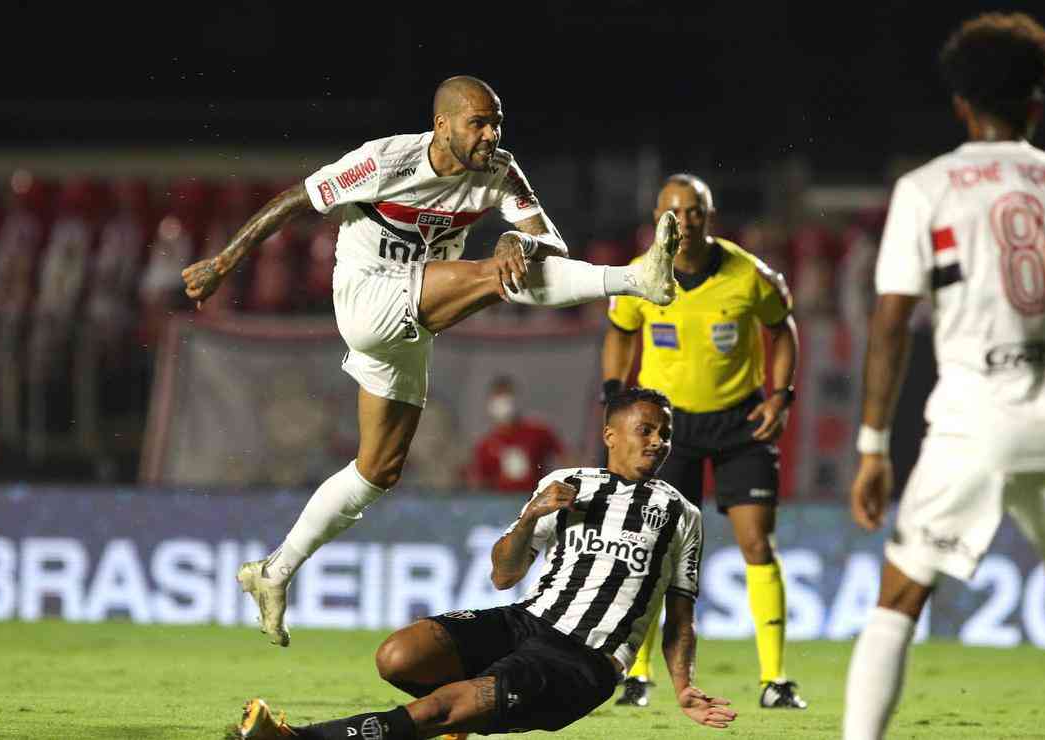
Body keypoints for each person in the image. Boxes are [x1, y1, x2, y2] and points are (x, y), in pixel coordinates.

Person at [182, 76, 682, 647]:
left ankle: (273, 573)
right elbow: (296, 200)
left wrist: (523, 242)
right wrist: (224, 263)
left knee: (378, 470)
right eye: (479, 123)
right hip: (367, 301)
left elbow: (552, 248)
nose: (491, 134)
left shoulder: (500, 170)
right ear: (442, 125)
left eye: (497, 122)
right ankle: (636, 278)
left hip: (416, 317)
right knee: (496, 274)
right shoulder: (385, 160)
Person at [843, 13, 1045, 740]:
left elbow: (889, 323)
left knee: (899, 598)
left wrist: (875, 444)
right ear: (1038, 104)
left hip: (972, 418)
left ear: (960, 105)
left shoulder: (926, 188)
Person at [229, 387, 736, 739]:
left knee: (438, 708)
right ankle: (462, 717)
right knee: (398, 657)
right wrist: (531, 516)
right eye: (646, 430)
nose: (658, 442)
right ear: (610, 435)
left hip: (581, 661)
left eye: (664, 434)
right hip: (526, 621)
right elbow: (504, 575)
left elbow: (680, 618)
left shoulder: (681, 514)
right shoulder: (567, 485)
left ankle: (301, 739)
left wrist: (685, 686)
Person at [601, 173, 805, 710]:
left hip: (741, 422)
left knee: (757, 543)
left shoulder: (749, 275)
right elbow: (620, 332)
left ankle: (776, 680)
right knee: (651, 549)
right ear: (658, 220)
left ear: (709, 217)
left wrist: (780, 396)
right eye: (674, 212)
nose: (685, 222)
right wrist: (613, 397)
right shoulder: (644, 274)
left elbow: (783, 328)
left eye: (695, 211)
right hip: (669, 431)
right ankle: (638, 675)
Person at [467, 375, 565, 492]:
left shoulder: (538, 432)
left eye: (506, 396)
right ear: (490, 403)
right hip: (502, 503)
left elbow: (565, 457)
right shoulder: (485, 446)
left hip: (537, 500)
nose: (503, 402)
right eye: (498, 396)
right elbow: (480, 482)